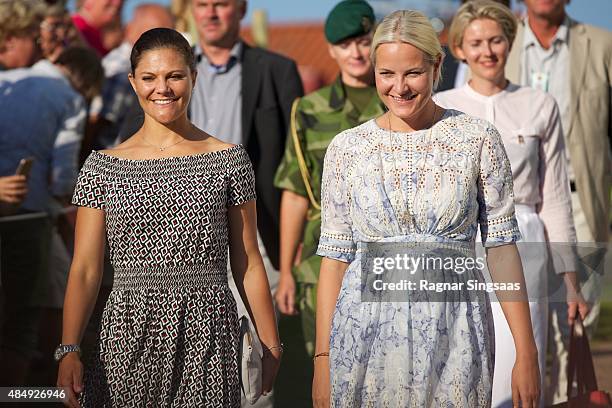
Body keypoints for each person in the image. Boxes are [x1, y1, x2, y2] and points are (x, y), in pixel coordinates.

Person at [312, 10, 541, 407]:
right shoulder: (346, 149)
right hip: (363, 333)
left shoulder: (477, 139)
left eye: (412, 73)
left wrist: (526, 351)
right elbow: (334, 260)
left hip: (456, 332)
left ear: (437, 65)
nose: (398, 87)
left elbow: (502, 249)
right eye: (386, 74)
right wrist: (322, 359)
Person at [56, 28, 280, 407]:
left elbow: (248, 261)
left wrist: (271, 342)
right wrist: (69, 349)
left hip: (208, 329)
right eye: (149, 77)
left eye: (175, 75)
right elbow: (85, 269)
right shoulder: (101, 167)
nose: (163, 88)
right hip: (125, 332)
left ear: (193, 77)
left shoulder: (228, 159)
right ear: (133, 82)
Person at [433, 1, 589, 406]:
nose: (487, 51)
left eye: (496, 40)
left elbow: (554, 198)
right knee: (458, 363)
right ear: (460, 49)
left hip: (525, 245)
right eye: (476, 42)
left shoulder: (539, 105)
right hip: (460, 248)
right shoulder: (442, 109)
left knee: (520, 365)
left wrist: (571, 280)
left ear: (509, 42)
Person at [505, 0, 612, 403]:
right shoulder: (498, 42)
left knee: (576, 318)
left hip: (580, 201)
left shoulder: (602, 45)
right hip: (516, 207)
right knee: (527, 321)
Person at [273, 0, 383, 357]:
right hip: (323, 261)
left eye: (364, 41)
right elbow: (295, 192)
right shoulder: (309, 110)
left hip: (390, 260)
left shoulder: (402, 100)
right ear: (331, 50)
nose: (356, 52)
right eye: (345, 44)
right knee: (327, 364)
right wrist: (287, 271)